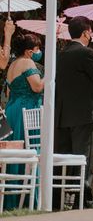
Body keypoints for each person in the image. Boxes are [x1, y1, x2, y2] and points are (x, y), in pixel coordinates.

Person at [54, 16, 93, 209]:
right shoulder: (85, 53)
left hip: (62, 115)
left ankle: (56, 199)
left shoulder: (60, 54)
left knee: (62, 158)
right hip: (83, 115)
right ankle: (83, 199)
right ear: (86, 32)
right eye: (91, 33)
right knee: (83, 158)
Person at [4, 33, 44, 210]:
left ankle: (10, 198)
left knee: (12, 153)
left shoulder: (12, 64)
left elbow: (8, 92)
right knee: (27, 151)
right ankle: (26, 198)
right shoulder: (28, 62)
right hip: (25, 111)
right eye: (37, 49)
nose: (39, 52)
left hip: (12, 110)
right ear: (29, 51)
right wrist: (49, 75)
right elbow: (36, 87)